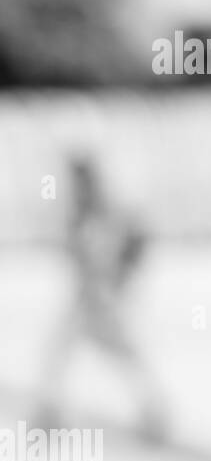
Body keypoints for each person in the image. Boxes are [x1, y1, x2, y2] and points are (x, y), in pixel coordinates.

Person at [34, 154, 168, 442]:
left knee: (123, 354)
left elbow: (136, 242)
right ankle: (51, 413)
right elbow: (78, 254)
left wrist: (120, 282)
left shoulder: (110, 210)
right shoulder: (81, 213)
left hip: (106, 300)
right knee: (60, 351)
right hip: (87, 299)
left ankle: (154, 413)